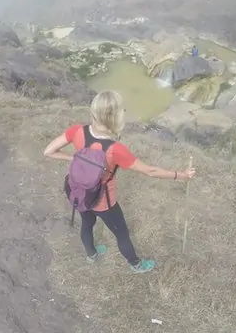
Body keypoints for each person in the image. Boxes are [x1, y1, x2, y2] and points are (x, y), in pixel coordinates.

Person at [43, 90, 196, 273]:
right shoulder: (116, 150)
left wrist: (76, 159)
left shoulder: (76, 131)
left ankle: (91, 255)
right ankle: (136, 265)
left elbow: (48, 151)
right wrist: (181, 175)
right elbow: (150, 171)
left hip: (78, 191)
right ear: (114, 118)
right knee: (121, 233)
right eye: (122, 110)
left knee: (87, 223)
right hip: (103, 201)